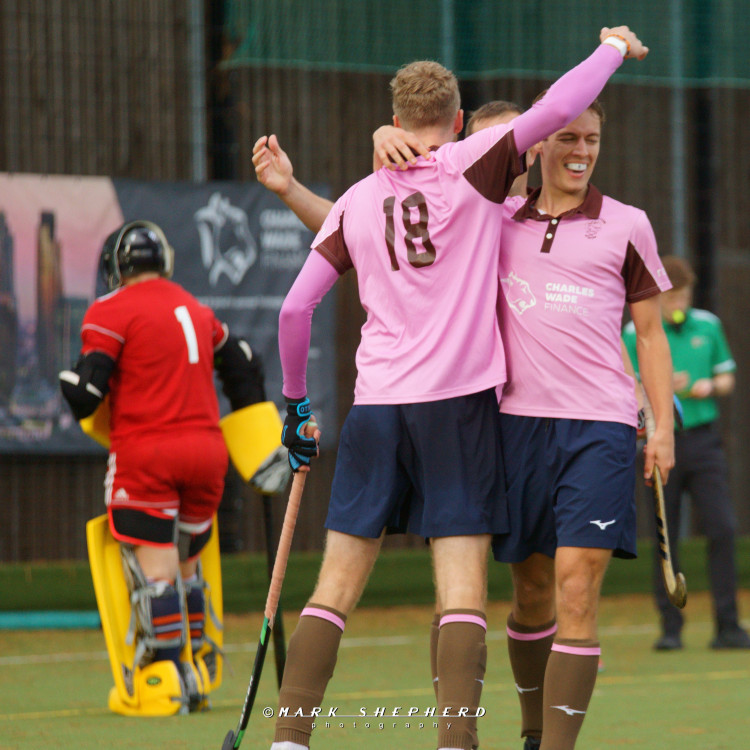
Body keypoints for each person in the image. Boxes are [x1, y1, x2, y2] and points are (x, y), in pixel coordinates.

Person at [265, 27, 649, 750]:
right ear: (461, 118)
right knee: (463, 591)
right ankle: (455, 742)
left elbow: (295, 309)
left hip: (377, 407)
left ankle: (289, 739)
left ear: (394, 119)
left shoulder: (357, 196)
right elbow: (560, 103)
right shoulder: (476, 171)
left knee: (336, 584)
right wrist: (609, 50)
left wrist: (297, 405)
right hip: (459, 408)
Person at [59, 221, 268, 714]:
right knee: (188, 569)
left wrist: (72, 386)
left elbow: (90, 389)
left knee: (154, 573)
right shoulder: (196, 308)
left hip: (148, 452)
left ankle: (164, 678)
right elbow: (243, 364)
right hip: (208, 454)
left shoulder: (108, 311)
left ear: (116, 268)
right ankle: (197, 670)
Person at [623, 254, 749, 651]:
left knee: (722, 529)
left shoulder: (708, 326)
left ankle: (728, 626)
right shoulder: (633, 332)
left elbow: (726, 376)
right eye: (671, 296)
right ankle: (670, 628)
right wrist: (656, 387)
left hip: (703, 442)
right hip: (658, 442)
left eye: (684, 294)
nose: (678, 303)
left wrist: (710, 386)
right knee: (666, 536)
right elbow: (627, 384)